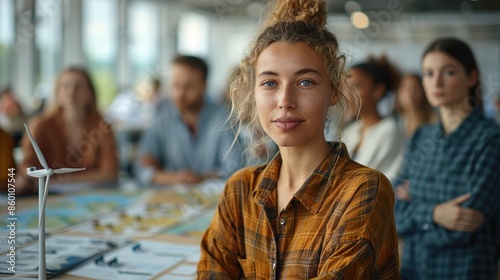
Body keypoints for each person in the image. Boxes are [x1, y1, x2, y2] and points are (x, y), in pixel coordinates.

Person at [197, 0, 400, 278]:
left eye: (305, 82)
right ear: (253, 92)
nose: (285, 101)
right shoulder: (239, 191)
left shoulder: (363, 191)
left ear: (333, 91)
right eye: (270, 83)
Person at [394, 38, 500, 279]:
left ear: (471, 78)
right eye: (428, 73)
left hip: (463, 270)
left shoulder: (490, 140)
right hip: (414, 269)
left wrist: (415, 210)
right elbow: (393, 211)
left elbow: (465, 228)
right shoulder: (421, 136)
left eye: (449, 72)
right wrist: (435, 214)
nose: (436, 82)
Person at [135, 55, 244, 185]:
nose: (180, 94)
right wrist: (174, 178)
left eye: (188, 87)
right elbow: (141, 169)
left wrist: (198, 179)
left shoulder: (225, 119)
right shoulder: (162, 120)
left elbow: (236, 171)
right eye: (175, 85)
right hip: (171, 200)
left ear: (204, 86)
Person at [16, 67, 119, 194]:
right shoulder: (40, 125)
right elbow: (28, 167)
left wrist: (60, 179)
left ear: (90, 94)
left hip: (92, 195)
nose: (71, 92)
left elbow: (110, 173)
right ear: (57, 92)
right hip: (47, 196)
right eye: (65, 86)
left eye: (78, 86)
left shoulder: (103, 127)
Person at [340, 56, 404, 182]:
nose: (348, 95)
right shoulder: (352, 130)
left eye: (356, 87)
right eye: (346, 88)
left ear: (378, 90)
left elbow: (364, 179)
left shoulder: (389, 130)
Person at [395, 74, 437, 138]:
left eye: (415, 88)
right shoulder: (395, 123)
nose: (410, 93)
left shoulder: (434, 121)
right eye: (406, 88)